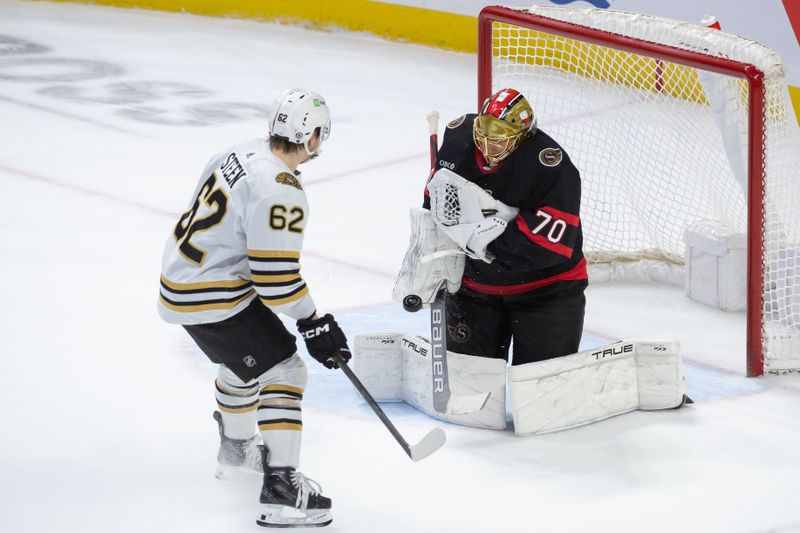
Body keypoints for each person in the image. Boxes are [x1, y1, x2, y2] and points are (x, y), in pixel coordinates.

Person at [157, 88, 349, 528]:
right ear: (314, 137)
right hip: (213, 293)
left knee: (245, 363)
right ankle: (282, 491)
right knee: (285, 371)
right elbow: (275, 280)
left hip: (181, 284)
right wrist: (314, 321)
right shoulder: (281, 189)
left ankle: (237, 451)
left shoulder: (238, 150)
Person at [424, 87, 587, 367]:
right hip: (475, 290)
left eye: (499, 140)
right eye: (483, 136)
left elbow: (548, 249)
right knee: (470, 392)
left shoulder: (550, 167)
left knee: (542, 397)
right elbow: (434, 200)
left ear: (522, 138)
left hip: (546, 292)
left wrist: (480, 242)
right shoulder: (459, 139)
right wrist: (429, 249)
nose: (488, 146)